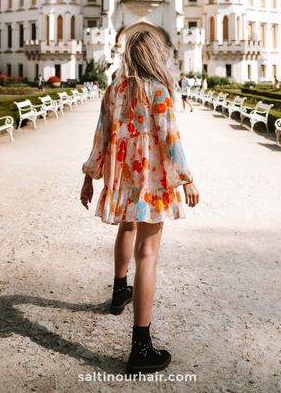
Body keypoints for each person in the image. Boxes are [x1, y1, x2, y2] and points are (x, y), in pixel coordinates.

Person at [80, 30, 199, 376]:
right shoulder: (158, 92)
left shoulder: (114, 90)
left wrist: (90, 175)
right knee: (147, 256)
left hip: (123, 180)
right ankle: (141, 347)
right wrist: (187, 179)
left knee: (125, 229)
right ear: (155, 56)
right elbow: (171, 140)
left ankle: (120, 291)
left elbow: (101, 136)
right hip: (150, 183)